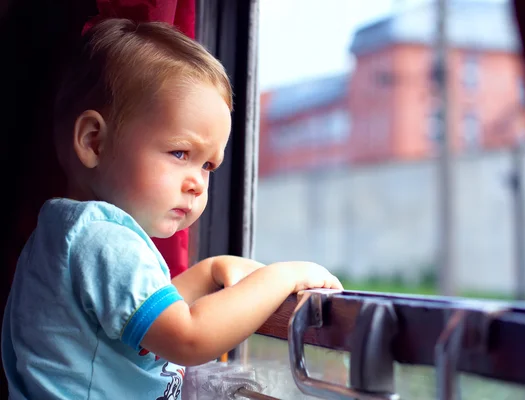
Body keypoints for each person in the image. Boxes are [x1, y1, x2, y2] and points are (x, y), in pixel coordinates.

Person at [1, 18, 343, 400]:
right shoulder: (105, 239)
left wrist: (208, 271)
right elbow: (188, 338)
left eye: (208, 166)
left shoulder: (66, 232)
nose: (197, 181)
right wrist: (283, 276)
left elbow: (138, 319)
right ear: (94, 142)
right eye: (180, 153)